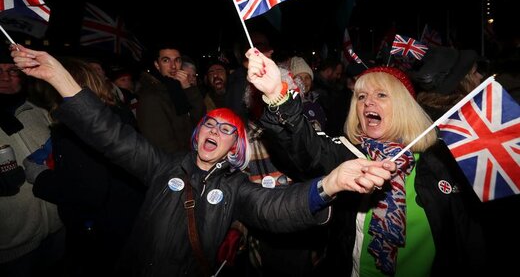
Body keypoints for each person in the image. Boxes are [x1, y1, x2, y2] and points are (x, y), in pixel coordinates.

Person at [11, 45, 395, 277]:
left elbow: (274, 206)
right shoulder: (162, 165)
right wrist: (61, 78)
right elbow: (110, 135)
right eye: (210, 124)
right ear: (199, 132)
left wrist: (330, 184)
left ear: (236, 147)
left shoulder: (235, 187)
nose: (215, 130)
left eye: (227, 130)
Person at [246, 48, 487, 276]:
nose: (367, 102)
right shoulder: (348, 154)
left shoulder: (441, 162)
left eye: (381, 95)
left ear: (404, 106)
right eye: (361, 96)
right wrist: (278, 94)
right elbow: (308, 149)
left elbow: (469, 239)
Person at [23, 57, 145, 276]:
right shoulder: (117, 113)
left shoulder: (76, 128)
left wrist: (40, 176)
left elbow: (87, 191)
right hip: (127, 224)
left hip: (101, 234)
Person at [0, 48, 64, 277]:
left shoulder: (41, 111)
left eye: (12, 71)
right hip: (13, 244)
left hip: (59, 228)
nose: (5, 77)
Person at [136, 45, 205, 153]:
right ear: (157, 65)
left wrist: (188, 89)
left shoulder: (178, 89)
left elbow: (200, 120)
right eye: (166, 60)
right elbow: (163, 146)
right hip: (177, 165)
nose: (173, 66)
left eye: (177, 60)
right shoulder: (150, 97)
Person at [407, 45, 484, 120]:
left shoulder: (418, 113)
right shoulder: (459, 120)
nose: (480, 76)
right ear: (461, 84)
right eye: (474, 73)